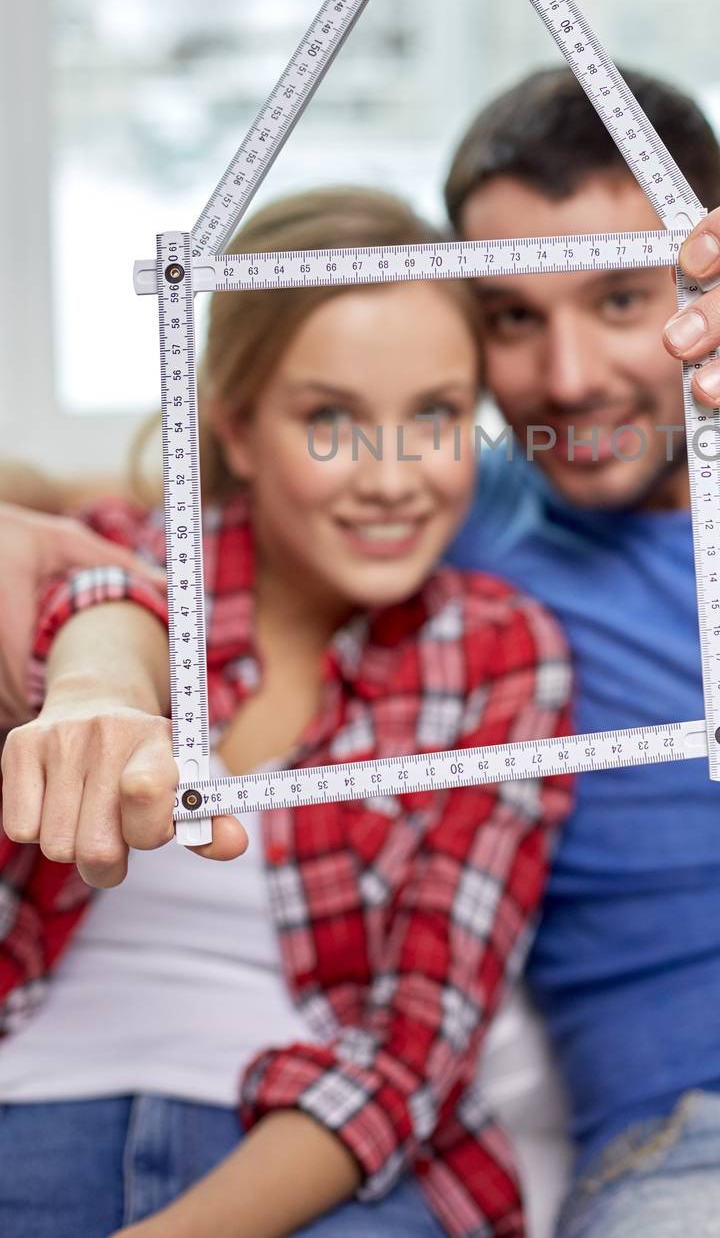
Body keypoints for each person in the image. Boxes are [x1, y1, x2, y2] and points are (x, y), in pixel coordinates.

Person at [7, 65, 720, 1236]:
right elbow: (181, 496)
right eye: (514, 316)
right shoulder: (458, 514)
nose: (566, 378)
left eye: (620, 300)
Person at [0, 187, 574, 1238]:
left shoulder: (498, 649)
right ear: (235, 429)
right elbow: (99, 603)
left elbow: (417, 1040)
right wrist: (98, 681)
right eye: (329, 419)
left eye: (436, 416)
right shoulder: (111, 559)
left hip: (316, 1157)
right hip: (30, 1107)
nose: (391, 475)